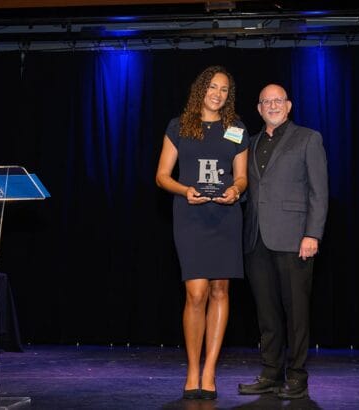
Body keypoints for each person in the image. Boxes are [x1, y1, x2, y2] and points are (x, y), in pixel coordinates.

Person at [156, 66, 249, 400]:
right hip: (191, 216)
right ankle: (192, 369)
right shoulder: (179, 126)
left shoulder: (236, 129)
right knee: (196, 293)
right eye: (212, 87)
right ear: (201, 90)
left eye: (224, 89)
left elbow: (242, 177)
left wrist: (236, 191)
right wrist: (184, 191)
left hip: (225, 217)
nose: (218, 93)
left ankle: (209, 370)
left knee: (220, 290)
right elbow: (162, 176)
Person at [238, 84, 328, 400]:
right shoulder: (249, 144)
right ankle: (270, 373)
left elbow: (319, 190)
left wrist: (312, 234)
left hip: (294, 238)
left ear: (288, 106)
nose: (273, 105)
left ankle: (298, 376)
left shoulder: (308, 138)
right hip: (256, 238)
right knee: (267, 313)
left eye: (278, 100)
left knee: (296, 312)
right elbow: (246, 190)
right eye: (266, 101)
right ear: (259, 109)